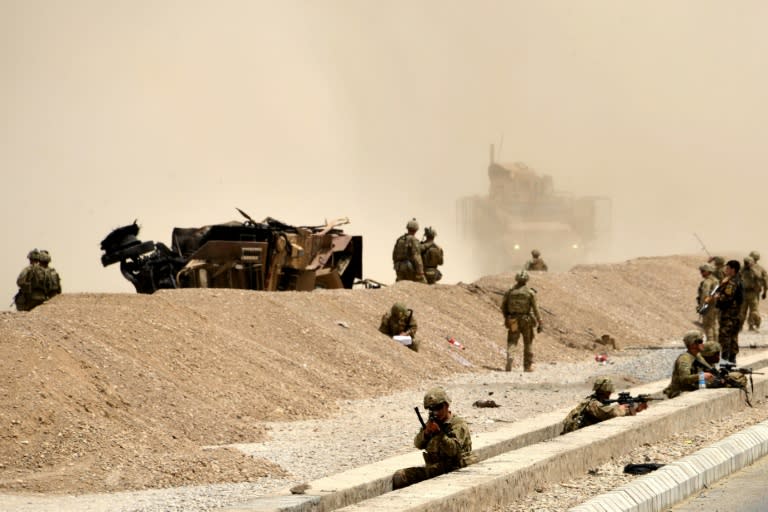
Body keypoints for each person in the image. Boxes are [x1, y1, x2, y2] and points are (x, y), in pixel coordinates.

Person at [392, 387, 476, 489]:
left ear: (446, 405)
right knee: (400, 476)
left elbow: (453, 450)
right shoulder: (432, 423)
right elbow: (418, 444)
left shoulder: (457, 424)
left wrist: (439, 434)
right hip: (436, 469)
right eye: (432, 409)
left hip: (454, 469)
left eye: (438, 407)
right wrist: (426, 433)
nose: (436, 412)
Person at [561, 377, 648, 434]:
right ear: (605, 392)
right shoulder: (593, 404)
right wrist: (627, 408)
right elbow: (612, 413)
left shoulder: (594, 400)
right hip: (577, 434)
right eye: (608, 392)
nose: (610, 394)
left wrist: (636, 409)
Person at [501, 270, 543, 372]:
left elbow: (503, 306)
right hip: (526, 321)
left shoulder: (510, 292)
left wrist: (507, 317)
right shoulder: (530, 293)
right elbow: (536, 309)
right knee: (528, 343)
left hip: (513, 320)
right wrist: (540, 321)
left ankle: (510, 357)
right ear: (526, 280)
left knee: (512, 340)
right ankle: (527, 366)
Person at [663, 330, 715, 398]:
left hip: (692, 389)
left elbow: (709, 369)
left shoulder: (698, 356)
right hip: (680, 393)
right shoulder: (684, 359)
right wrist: (702, 376)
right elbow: (684, 378)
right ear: (692, 344)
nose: (703, 344)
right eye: (700, 341)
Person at [715, 260, 744, 364]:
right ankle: (732, 359)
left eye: (727, 268)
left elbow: (727, 298)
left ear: (733, 270)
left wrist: (718, 297)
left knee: (725, 336)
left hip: (728, 314)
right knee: (733, 337)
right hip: (736, 314)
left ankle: (725, 360)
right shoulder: (738, 280)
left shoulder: (731, 282)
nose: (725, 270)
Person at [392, 219, 426, 283]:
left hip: (398, 267)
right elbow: (417, 257)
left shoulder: (400, 239)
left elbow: (394, 255)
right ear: (416, 230)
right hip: (408, 268)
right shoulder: (413, 240)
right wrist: (421, 272)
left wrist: (396, 265)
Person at [740, 256, 765, 332]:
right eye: (745, 263)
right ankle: (740, 326)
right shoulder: (742, 269)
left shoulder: (755, 269)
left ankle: (754, 325)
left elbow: (759, 277)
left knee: (754, 311)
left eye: (747, 263)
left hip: (753, 293)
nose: (746, 264)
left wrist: (751, 269)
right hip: (743, 292)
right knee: (742, 311)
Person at [697, 263, 719, 342]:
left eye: (703, 271)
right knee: (714, 325)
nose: (701, 273)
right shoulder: (716, 280)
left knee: (708, 326)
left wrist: (702, 307)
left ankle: (710, 344)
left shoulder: (707, 282)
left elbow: (705, 295)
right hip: (715, 306)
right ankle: (716, 344)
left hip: (709, 306)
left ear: (708, 272)